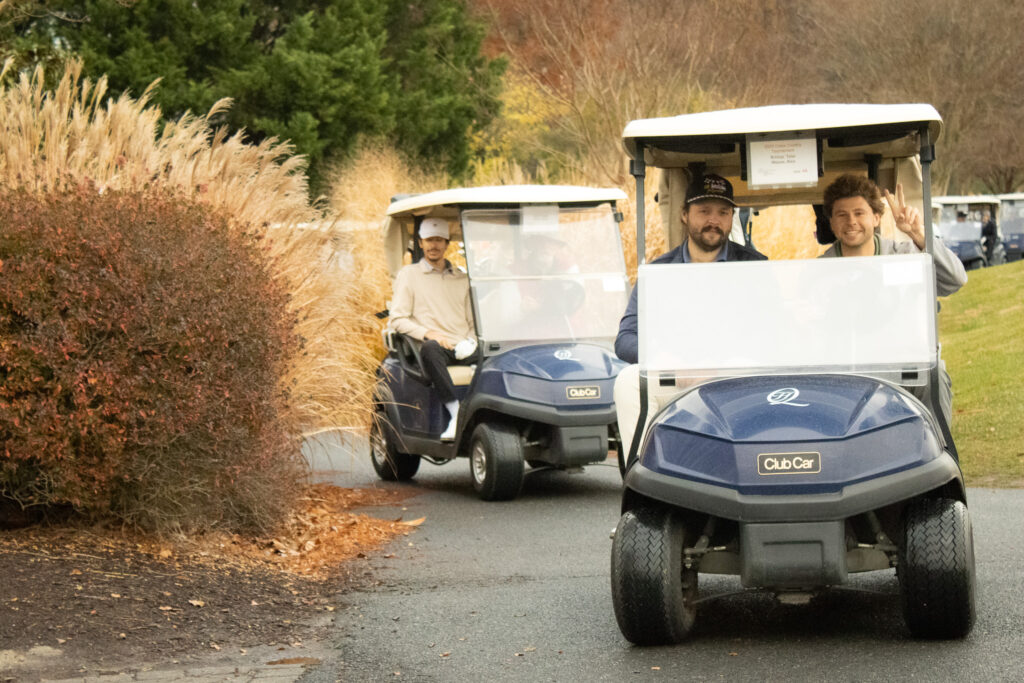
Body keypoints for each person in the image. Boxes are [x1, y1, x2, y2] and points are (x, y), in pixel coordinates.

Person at [613, 173, 767, 456]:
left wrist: (720, 364)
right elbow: (625, 338)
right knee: (627, 382)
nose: (713, 220)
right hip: (676, 371)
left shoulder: (754, 266)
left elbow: (775, 331)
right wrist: (668, 360)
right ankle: (644, 471)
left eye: (723, 212)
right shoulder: (659, 272)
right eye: (704, 211)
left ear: (732, 217)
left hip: (733, 372)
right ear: (684, 215)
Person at [819, 173, 967, 427]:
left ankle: (940, 452)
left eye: (859, 213)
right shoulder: (819, 272)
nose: (851, 222)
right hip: (847, 373)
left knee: (934, 377)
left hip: (902, 369)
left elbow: (955, 279)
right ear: (831, 223)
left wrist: (919, 234)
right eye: (842, 215)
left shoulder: (905, 255)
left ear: (876, 218)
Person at [389, 217, 476, 440]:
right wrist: (430, 334)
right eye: (429, 240)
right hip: (434, 350)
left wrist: (472, 341)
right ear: (420, 243)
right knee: (430, 348)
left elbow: (472, 322)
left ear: (447, 243)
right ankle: (456, 413)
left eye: (438, 240)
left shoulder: (462, 279)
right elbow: (397, 319)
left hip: (463, 347)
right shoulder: (409, 276)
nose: (433, 245)